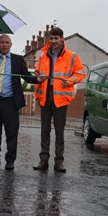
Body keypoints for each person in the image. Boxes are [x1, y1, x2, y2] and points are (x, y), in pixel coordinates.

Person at [0, 34, 42, 170]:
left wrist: (37, 80)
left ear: (11, 45)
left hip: (10, 103)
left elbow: (26, 76)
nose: (4, 44)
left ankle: (10, 160)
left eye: (7, 42)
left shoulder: (17, 59)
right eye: (2, 42)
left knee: (11, 133)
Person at [33, 27, 86, 172]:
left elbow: (81, 74)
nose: (53, 41)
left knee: (59, 130)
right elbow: (37, 74)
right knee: (45, 130)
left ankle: (59, 162)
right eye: (51, 38)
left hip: (61, 97)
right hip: (45, 95)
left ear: (62, 39)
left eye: (56, 38)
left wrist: (69, 81)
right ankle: (43, 161)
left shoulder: (72, 56)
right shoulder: (43, 55)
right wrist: (38, 79)